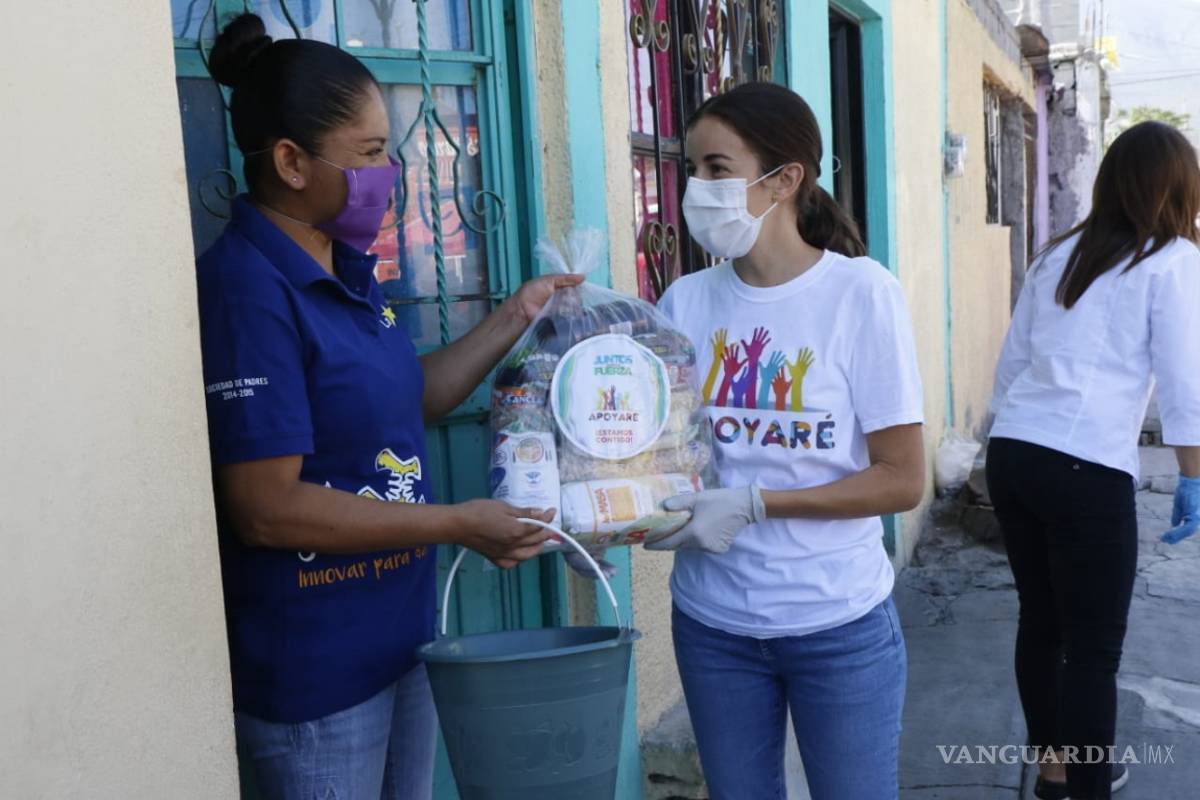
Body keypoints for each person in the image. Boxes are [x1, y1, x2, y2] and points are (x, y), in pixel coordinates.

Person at [196, 14, 578, 799]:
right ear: (292, 162)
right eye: (369, 155)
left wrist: (517, 315)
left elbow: (416, 395)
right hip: (317, 670)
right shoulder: (247, 288)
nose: (390, 174)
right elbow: (265, 507)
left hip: (400, 641)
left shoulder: (348, 269)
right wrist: (457, 522)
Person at [647, 81, 926, 800]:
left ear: (785, 179)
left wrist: (757, 502)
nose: (697, 188)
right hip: (713, 627)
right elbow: (664, 455)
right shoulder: (684, 303)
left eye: (717, 169)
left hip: (837, 623)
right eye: (691, 170)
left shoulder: (861, 295)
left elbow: (900, 480)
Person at [986, 121, 1200, 800]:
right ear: (1181, 189)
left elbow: (1012, 365)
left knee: (1041, 623)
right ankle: (1084, 791)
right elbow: (1185, 380)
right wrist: (1193, 475)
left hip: (1015, 452)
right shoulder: (1172, 259)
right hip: (1084, 468)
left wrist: (1013, 434)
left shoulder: (1061, 253)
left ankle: (1056, 771)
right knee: (1093, 651)